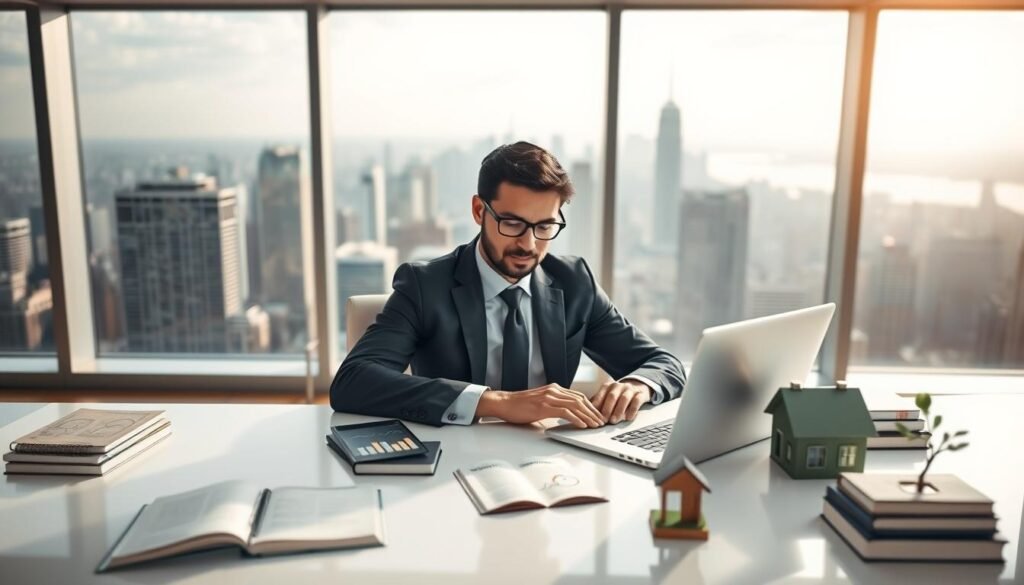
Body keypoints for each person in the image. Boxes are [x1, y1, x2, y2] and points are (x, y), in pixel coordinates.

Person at [330, 141, 685, 428]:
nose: (528, 244)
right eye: (512, 224)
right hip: (452, 463)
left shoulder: (575, 283)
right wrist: (498, 403)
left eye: (544, 226)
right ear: (478, 211)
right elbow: (353, 382)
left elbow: (663, 363)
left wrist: (637, 385)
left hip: (550, 464)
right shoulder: (425, 286)